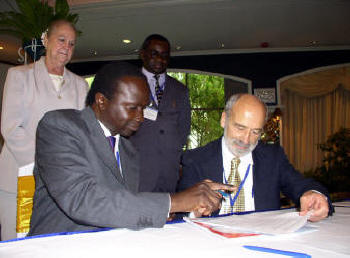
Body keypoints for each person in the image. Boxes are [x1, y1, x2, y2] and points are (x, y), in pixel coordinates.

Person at [28, 62, 234, 236]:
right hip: (58, 245)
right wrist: (174, 202)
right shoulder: (60, 127)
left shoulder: (129, 151)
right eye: (132, 107)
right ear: (101, 101)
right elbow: (84, 200)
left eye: (143, 108)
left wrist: (191, 207)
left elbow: (127, 208)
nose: (141, 117)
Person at [178, 94, 333, 222]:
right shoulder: (195, 160)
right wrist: (194, 213)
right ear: (224, 119)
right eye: (240, 128)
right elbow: (181, 212)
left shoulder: (273, 157)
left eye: (255, 132)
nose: (246, 140)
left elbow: (301, 185)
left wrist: (315, 195)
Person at [0, 19, 88, 240]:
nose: (66, 48)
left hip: (61, 184)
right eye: (61, 40)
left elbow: (80, 132)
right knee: (16, 243)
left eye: (71, 44)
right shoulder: (19, 75)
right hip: (19, 178)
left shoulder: (80, 85)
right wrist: (46, 162)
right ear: (45, 40)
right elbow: (11, 127)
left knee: (48, 243)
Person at [129, 34, 191, 193]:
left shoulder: (180, 90)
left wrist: (173, 152)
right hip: (137, 169)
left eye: (165, 55)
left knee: (168, 216)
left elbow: (184, 128)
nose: (160, 59)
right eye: (154, 53)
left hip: (169, 172)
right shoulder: (129, 83)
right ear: (142, 54)